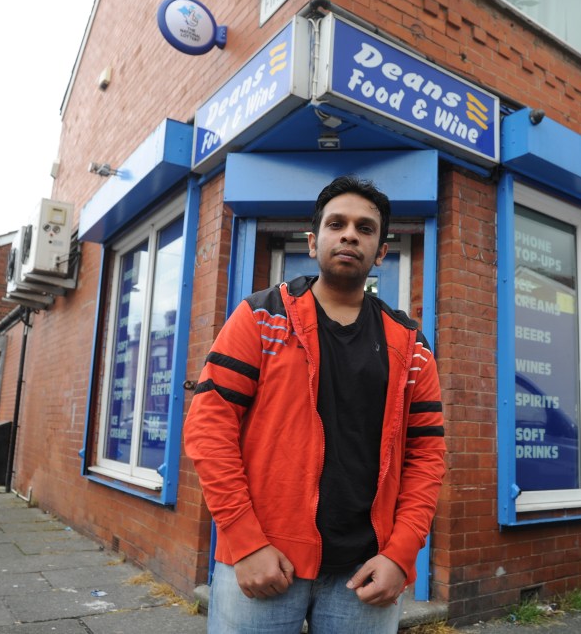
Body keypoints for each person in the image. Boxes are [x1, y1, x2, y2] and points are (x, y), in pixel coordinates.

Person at [184, 175, 446, 633]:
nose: (350, 234)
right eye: (336, 224)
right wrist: (245, 542)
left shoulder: (412, 346)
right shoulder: (260, 318)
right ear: (313, 241)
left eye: (365, 229)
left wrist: (401, 554)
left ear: (381, 251)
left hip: (366, 573)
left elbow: (427, 457)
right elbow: (209, 428)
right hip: (264, 561)